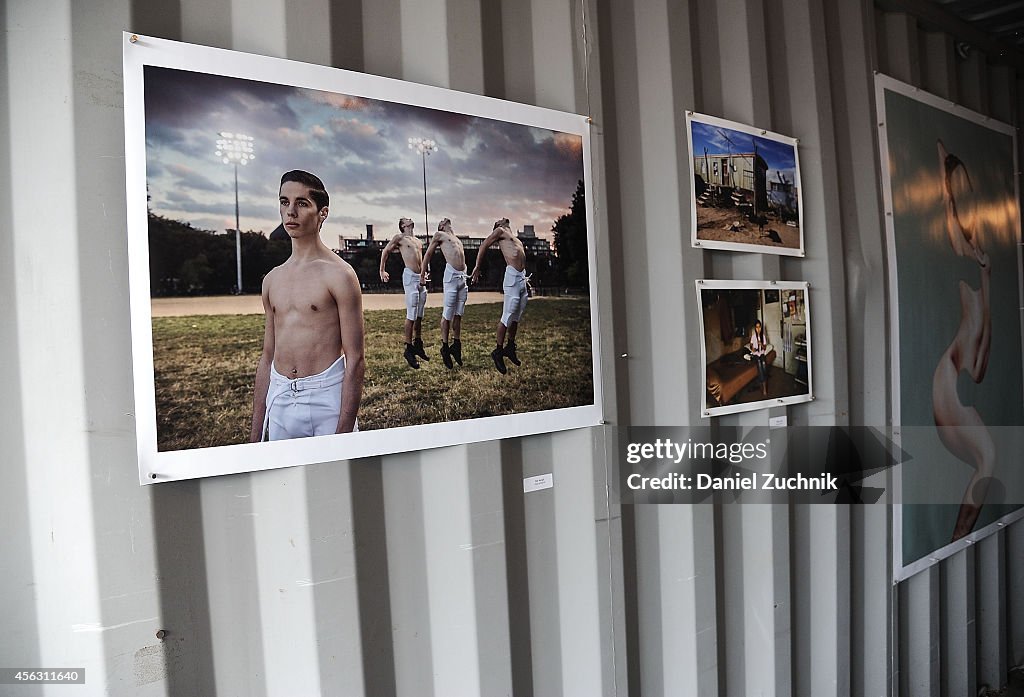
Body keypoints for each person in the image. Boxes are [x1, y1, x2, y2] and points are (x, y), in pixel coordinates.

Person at [250, 170, 365, 442]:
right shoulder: (272, 279)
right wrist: (254, 438)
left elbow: (356, 359)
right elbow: (267, 357)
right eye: (284, 201)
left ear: (322, 212)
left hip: (326, 397)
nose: (290, 211)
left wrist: (343, 438)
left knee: (335, 482)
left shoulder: (340, 274)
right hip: (280, 397)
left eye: (302, 203)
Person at [933, 140, 995, 541]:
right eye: (960, 191)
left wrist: (987, 276)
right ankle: (957, 542)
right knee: (987, 458)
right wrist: (943, 170)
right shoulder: (960, 246)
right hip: (949, 380)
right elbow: (974, 362)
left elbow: (982, 364)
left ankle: (958, 542)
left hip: (960, 377)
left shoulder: (980, 255)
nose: (967, 197)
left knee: (988, 459)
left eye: (969, 188)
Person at [471, 218, 528, 374]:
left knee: (517, 316)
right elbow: (483, 245)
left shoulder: (515, 237)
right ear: (498, 225)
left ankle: (510, 347)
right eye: (500, 219)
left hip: (522, 279)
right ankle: (498, 351)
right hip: (512, 278)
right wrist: (477, 266)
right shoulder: (500, 231)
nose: (503, 217)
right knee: (508, 315)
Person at [379, 217, 430, 369]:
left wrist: (425, 273)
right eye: (406, 219)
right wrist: (382, 269)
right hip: (409, 277)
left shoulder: (418, 241)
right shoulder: (399, 238)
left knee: (420, 314)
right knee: (412, 314)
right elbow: (386, 251)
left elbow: (422, 260)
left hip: (420, 278)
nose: (410, 219)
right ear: (403, 225)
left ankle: (418, 344)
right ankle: (408, 349)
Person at [421, 218, 468, 369]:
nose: (444, 220)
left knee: (458, 314)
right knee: (447, 315)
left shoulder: (457, 239)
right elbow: (428, 254)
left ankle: (456, 344)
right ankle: (445, 347)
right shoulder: (439, 235)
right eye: (442, 221)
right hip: (451, 278)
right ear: (441, 226)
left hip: (462, 277)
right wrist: (422, 274)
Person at [747, 319, 770, 396]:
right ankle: (764, 388)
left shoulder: (763, 336)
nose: (758, 329)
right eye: (756, 327)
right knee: (760, 365)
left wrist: (761, 344)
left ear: (761, 328)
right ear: (755, 328)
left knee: (763, 364)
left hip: (762, 354)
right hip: (756, 354)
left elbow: (764, 348)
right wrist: (752, 348)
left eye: (759, 327)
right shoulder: (753, 337)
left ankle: (764, 386)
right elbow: (750, 345)